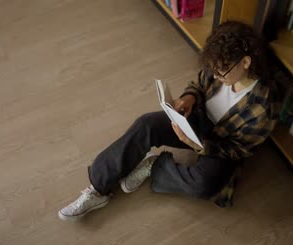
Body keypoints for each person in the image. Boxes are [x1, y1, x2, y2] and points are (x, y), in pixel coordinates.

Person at [58, 21, 281, 221]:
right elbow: (199, 85)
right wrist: (188, 98)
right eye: (212, 70)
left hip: (221, 143)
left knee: (203, 185)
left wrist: (198, 146)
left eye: (221, 72)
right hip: (198, 119)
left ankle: (156, 165)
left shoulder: (264, 106)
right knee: (147, 124)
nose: (215, 76)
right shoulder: (220, 67)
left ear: (246, 62)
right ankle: (98, 188)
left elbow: (238, 151)